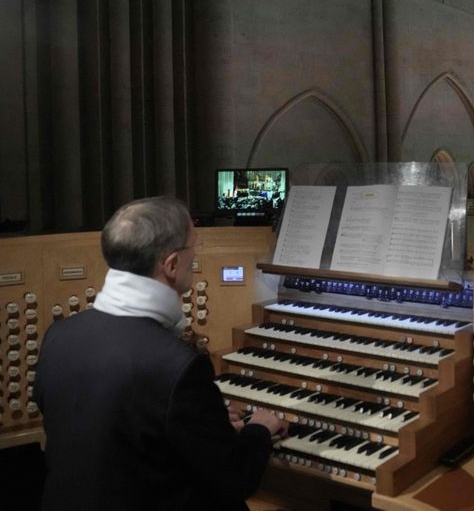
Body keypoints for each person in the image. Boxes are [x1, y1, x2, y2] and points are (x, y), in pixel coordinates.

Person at [34, 197, 288, 511]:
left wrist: (207, 426)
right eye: (193, 249)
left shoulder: (59, 337)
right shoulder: (178, 366)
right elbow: (237, 478)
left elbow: (117, 431)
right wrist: (259, 429)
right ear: (171, 265)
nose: (194, 259)